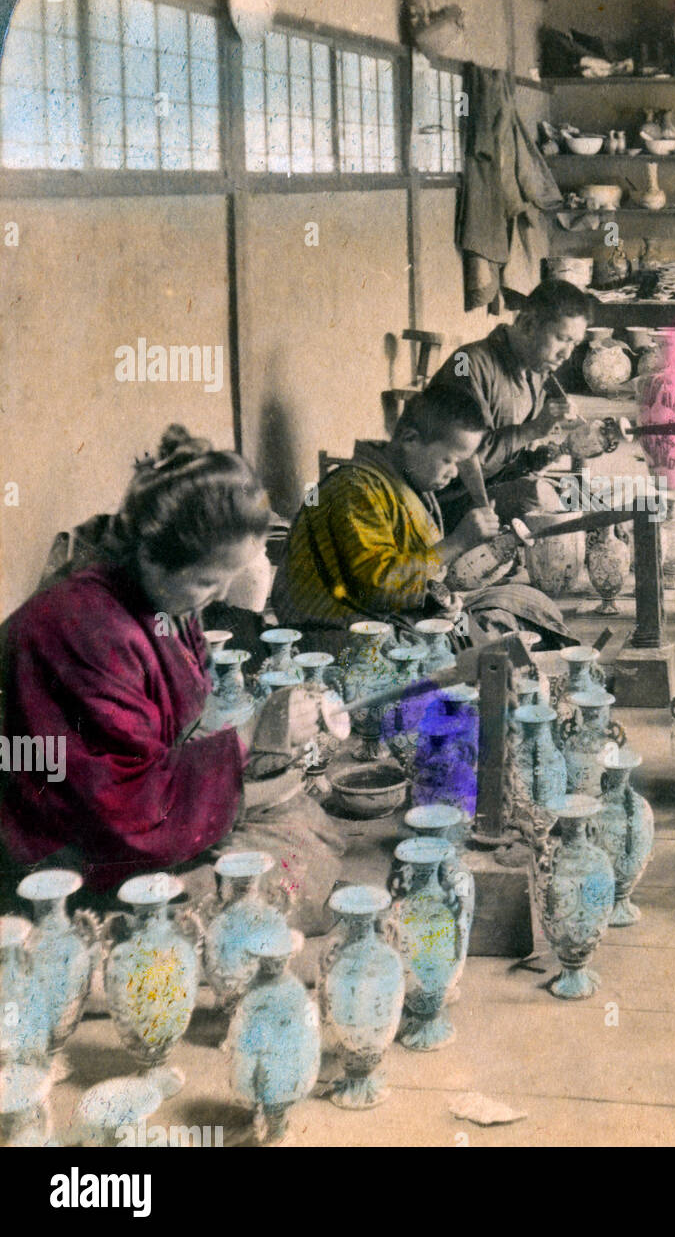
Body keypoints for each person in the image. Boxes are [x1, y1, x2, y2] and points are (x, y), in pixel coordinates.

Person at [0, 428, 345, 920]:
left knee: (301, 820)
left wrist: (252, 752)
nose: (218, 594)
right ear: (150, 551)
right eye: (208, 580)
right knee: (272, 874)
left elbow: (164, 742)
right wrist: (248, 737)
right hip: (70, 852)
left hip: (139, 813)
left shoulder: (154, 595)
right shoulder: (83, 630)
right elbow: (121, 814)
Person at [272, 383, 572, 650]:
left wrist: (438, 601)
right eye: (448, 460)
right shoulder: (355, 489)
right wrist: (456, 543)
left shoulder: (411, 486)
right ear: (410, 438)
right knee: (485, 642)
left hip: (394, 619)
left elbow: (417, 572)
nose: (454, 473)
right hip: (335, 632)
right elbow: (376, 589)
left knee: (525, 604)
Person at [429, 278, 592, 530]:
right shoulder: (466, 363)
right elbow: (466, 462)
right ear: (527, 323)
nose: (567, 354)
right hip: (446, 501)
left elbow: (510, 462)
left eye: (574, 343)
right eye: (562, 338)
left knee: (587, 495)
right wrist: (534, 429)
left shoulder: (535, 371)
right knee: (537, 496)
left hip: (493, 488)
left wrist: (548, 454)